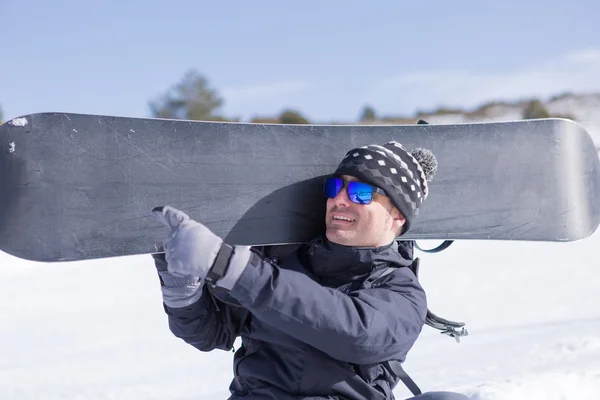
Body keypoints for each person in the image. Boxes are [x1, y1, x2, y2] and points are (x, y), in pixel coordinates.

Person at [151, 140, 469, 400]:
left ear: (398, 216)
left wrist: (230, 267)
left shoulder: (403, 293)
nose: (340, 200)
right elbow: (211, 333)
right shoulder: (283, 261)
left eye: (361, 193)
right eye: (335, 188)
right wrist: (180, 285)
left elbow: (352, 331)